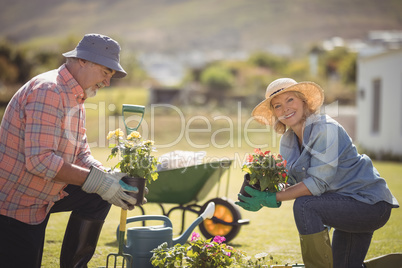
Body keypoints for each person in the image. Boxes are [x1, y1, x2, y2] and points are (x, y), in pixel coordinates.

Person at [0, 33, 143, 268]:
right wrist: (100, 182)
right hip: (16, 205)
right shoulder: (48, 91)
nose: (107, 82)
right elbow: (40, 161)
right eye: (106, 72)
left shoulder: (75, 97)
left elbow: (80, 155)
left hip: (42, 195)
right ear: (83, 61)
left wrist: (108, 177)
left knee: (98, 195)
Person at [236, 78, 399, 268]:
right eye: (277, 106)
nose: (285, 108)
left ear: (304, 101)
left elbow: (317, 184)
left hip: (369, 204)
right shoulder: (288, 141)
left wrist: (276, 197)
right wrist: (264, 193)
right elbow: (290, 181)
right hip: (344, 205)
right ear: (275, 113)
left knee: (305, 205)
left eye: (290, 100)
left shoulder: (325, 129)